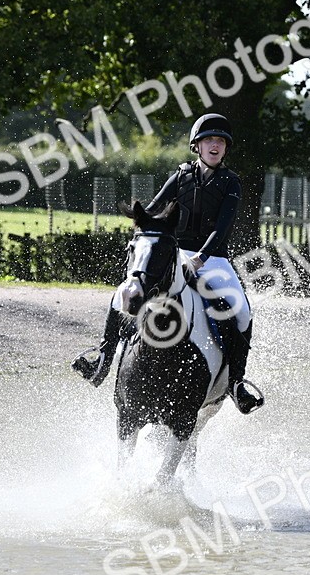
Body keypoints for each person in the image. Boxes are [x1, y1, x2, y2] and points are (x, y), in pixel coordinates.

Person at [74, 113, 264, 414]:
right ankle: (103, 357)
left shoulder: (231, 183)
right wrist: (141, 222)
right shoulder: (181, 176)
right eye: (208, 140)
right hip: (174, 254)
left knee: (241, 311)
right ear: (197, 145)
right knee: (120, 295)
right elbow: (154, 208)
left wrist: (200, 257)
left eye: (220, 141)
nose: (214, 145)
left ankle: (236, 384)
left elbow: (222, 228)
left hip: (213, 259)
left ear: (226, 149)